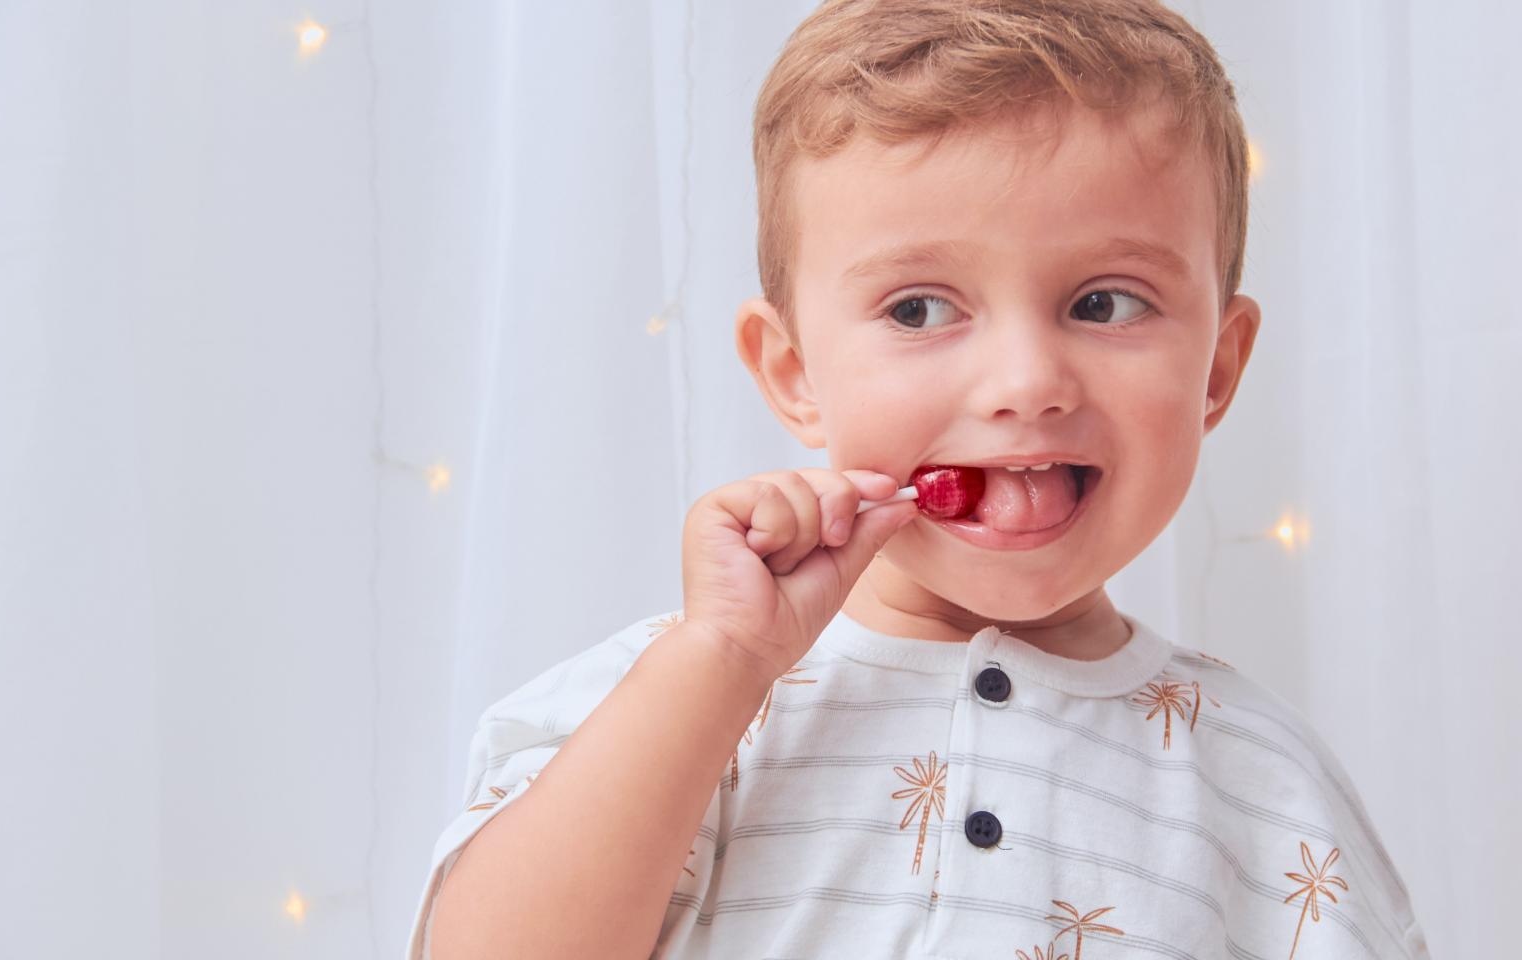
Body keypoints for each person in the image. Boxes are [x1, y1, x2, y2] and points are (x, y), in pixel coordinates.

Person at [409, 1, 1432, 957]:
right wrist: (717, 659)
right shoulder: (680, 703)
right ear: (793, 372)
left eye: (1106, 304)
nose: (1026, 384)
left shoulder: (1266, 785)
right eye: (917, 311)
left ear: (1215, 367)